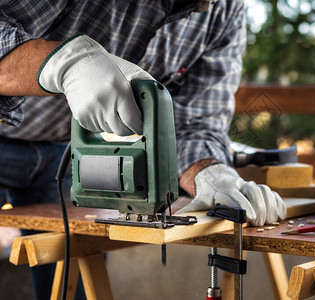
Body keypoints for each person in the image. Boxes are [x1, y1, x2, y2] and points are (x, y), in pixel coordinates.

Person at [0, 0, 286, 299]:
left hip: (63, 156)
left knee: (77, 287)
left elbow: (193, 124)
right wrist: (61, 63)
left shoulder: (223, 10)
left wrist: (209, 173)